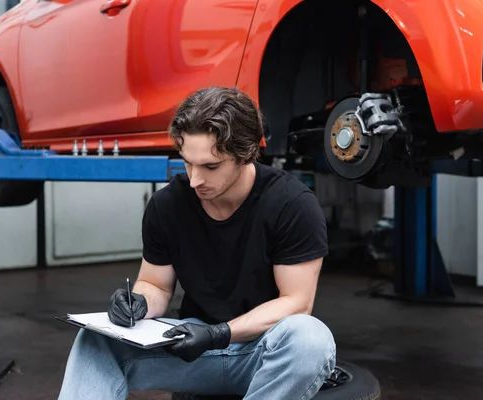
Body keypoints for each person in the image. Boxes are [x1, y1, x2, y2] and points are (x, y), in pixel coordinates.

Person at [57, 86, 336, 400]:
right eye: (187, 162)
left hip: (262, 350)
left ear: (245, 154)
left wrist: (219, 334)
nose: (194, 180)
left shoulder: (292, 204)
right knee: (95, 340)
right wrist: (138, 304)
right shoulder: (168, 205)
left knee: (311, 339)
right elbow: (156, 285)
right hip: (191, 348)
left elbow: (297, 302)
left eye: (210, 166)